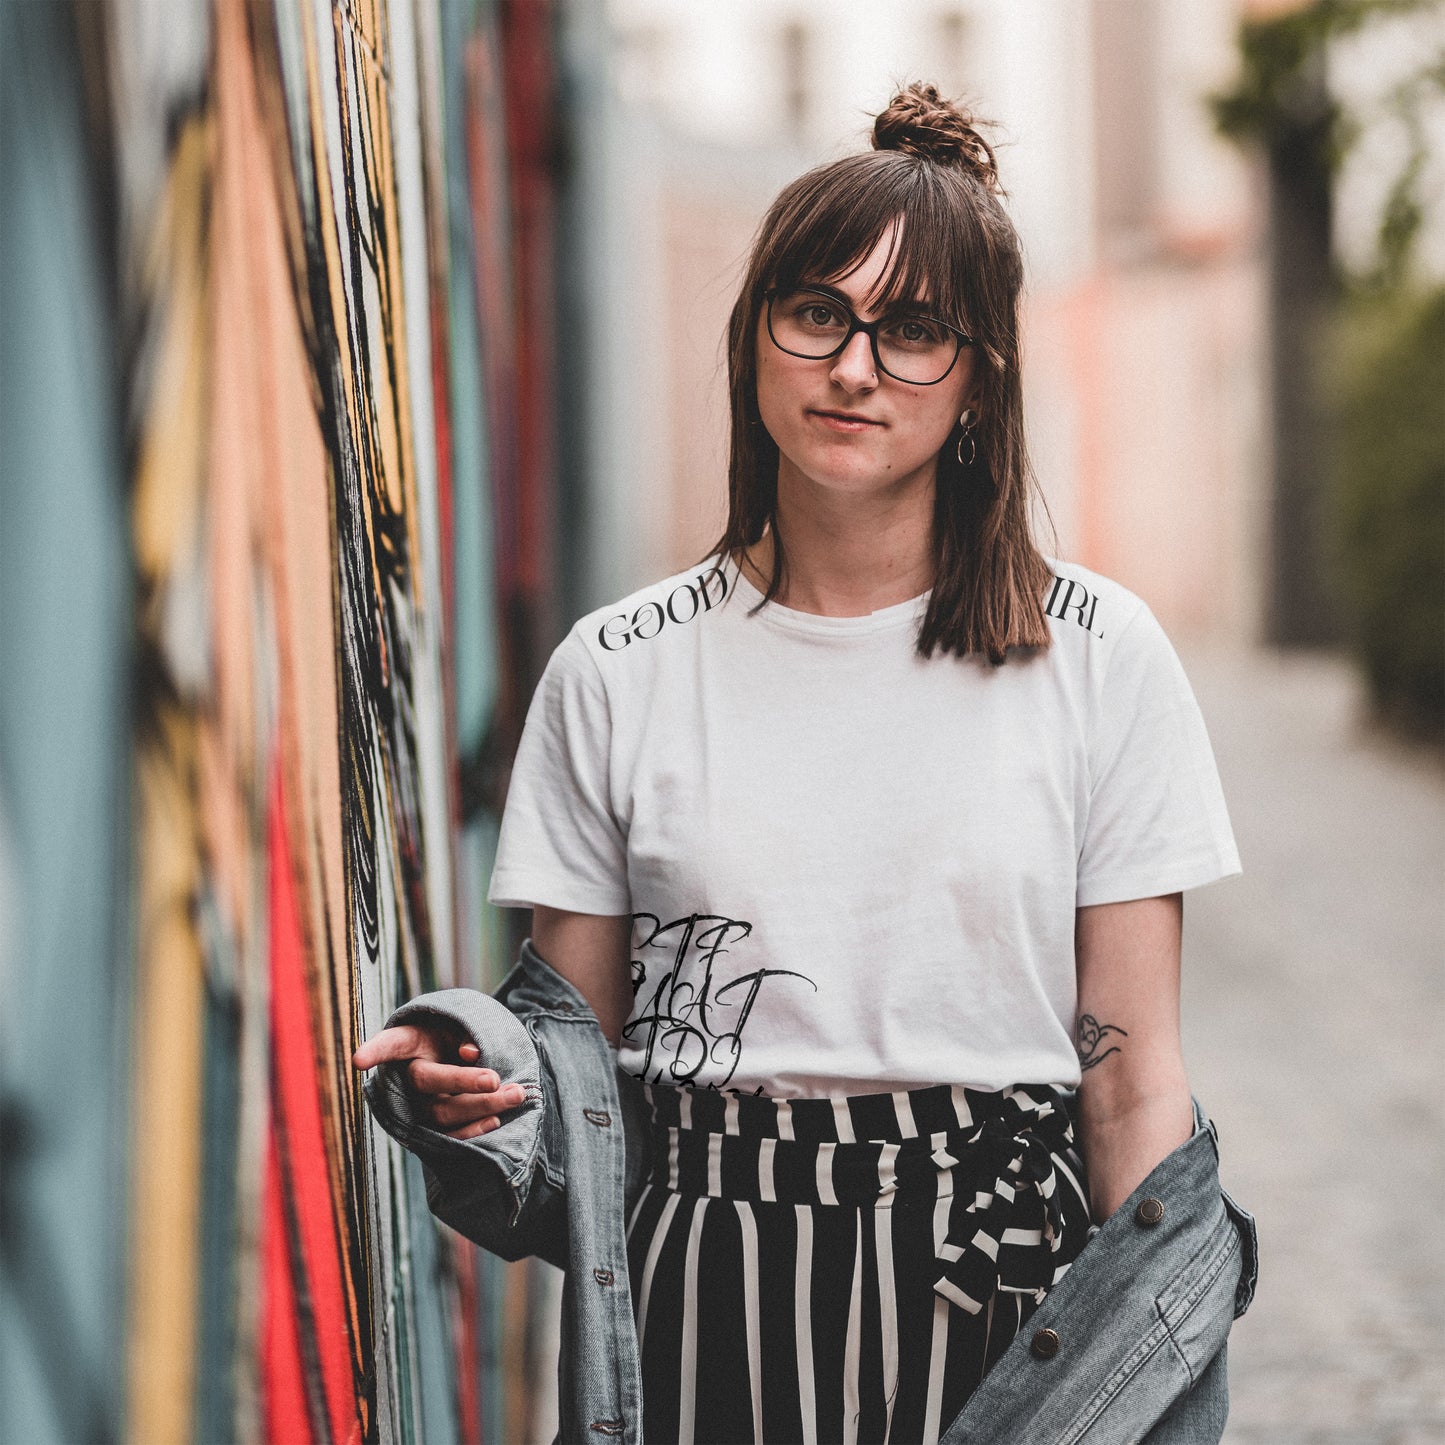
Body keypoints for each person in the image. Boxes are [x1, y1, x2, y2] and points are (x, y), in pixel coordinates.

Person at [354, 82, 1250, 1444]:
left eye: (914, 332)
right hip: (701, 1288)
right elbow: (572, 1068)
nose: (853, 367)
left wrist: (1156, 1377)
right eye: (817, 313)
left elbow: (1129, 1081)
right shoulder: (618, 669)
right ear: (756, 336)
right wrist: (475, 1076)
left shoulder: (1098, 655)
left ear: (978, 379)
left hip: (1005, 1295)